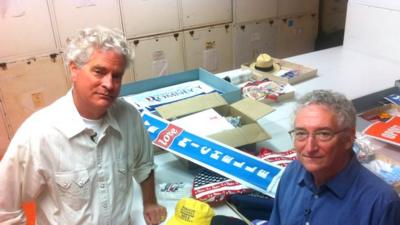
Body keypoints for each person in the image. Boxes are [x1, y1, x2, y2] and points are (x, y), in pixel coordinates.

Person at [0, 26, 167, 225]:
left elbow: (144, 164)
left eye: (117, 76)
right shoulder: (39, 134)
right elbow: (5, 211)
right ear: (74, 70)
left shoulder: (129, 117)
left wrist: (150, 202)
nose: (109, 84)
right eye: (99, 71)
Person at [268, 89, 400, 225]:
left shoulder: (381, 203)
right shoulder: (292, 173)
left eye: (323, 134)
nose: (309, 148)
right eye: (301, 133)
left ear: (348, 138)